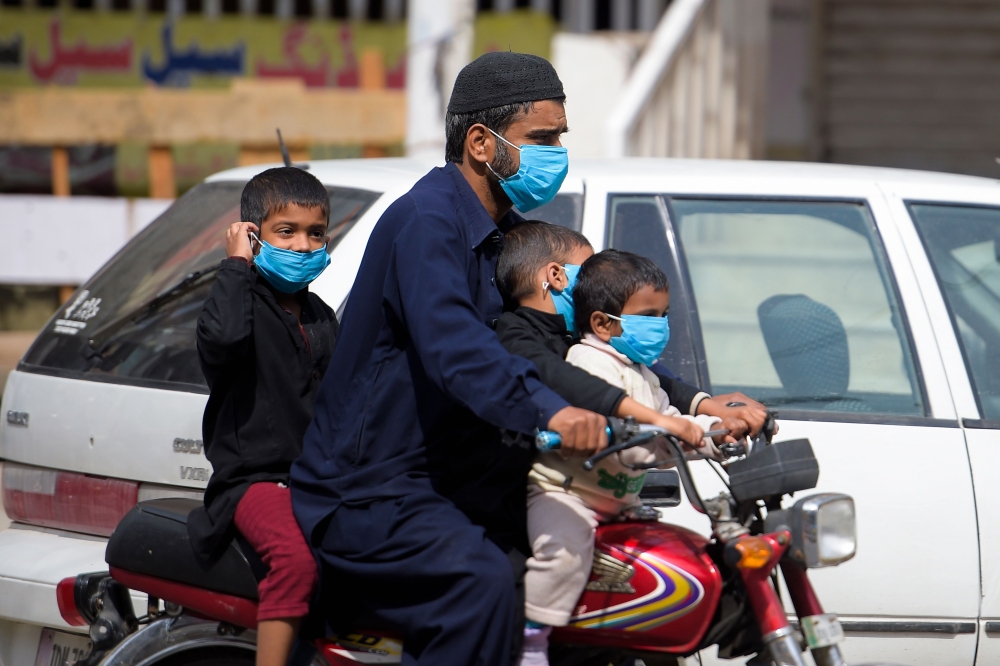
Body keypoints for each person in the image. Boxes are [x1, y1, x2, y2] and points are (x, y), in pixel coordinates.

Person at [290, 52, 607, 666]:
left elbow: (561, 338)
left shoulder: (511, 236)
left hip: (458, 488)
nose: (557, 152)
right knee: (478, 586)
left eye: (560, 136)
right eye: (541, 138)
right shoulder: (427, 223)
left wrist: (682, 406)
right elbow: (456, 346)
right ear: (482, 143)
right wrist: (550, 411)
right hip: (372, 494)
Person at [520, 249, 742, 663]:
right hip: (568, 496)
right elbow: (641, 445)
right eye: (650, 316)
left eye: (665, 314)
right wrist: (684, 433)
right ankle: (530, 641)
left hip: (617, 503)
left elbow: (672, 420)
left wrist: (722, 435)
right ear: (602, 323)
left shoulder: (643, 372)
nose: (662, 326)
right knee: (563, 555)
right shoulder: (588, 361)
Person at [187, 167, 338, 666]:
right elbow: (224, 341)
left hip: (314, 480)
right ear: (254, 235)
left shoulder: (320, 314)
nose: (301, 245)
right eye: (286, 231)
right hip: (252, 482)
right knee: (294, 562)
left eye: (315, 233)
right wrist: (235, 265)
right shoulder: (238, 303)